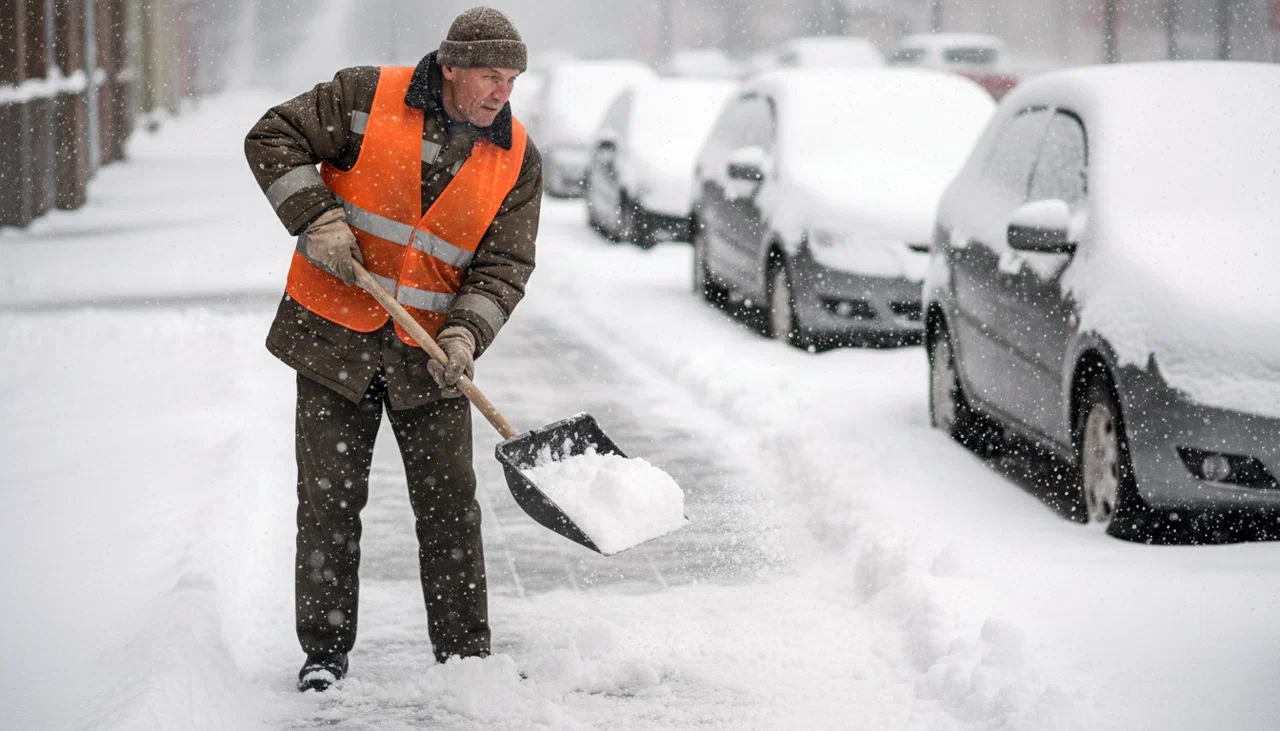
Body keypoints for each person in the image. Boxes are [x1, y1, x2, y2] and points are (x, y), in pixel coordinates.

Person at [243, 6, 541, 692]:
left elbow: (505, 265)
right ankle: (323, 652)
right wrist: (314, 215)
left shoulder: (517, 156)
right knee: (328, 500)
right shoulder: (362, 97)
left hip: (429, 354)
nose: (503, 92)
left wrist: (465, 332)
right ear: (455, 66)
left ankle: (465, 654)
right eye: (492, 76)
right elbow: (272, 136)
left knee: (450, 509)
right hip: (333, 337)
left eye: (513, 80)